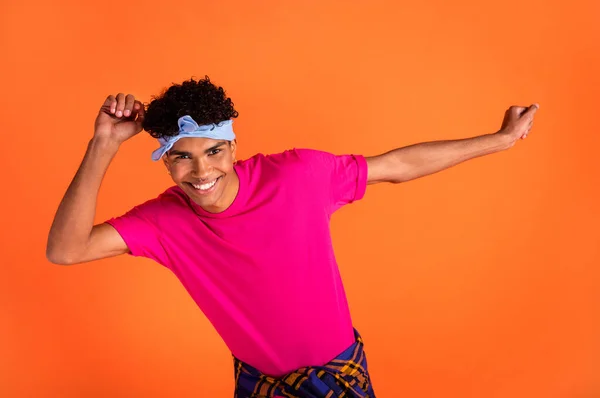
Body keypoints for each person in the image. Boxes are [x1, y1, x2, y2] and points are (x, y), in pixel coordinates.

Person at [46, 76, 539, 398]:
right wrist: (103, 144)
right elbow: (66, 251)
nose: (202, 171)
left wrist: (500, 140)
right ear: (166, 162)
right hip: (258, 386)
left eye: (215, 151)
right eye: (183, 157)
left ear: (234, 145)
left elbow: (396, 166)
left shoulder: (297, 176)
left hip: (337, 380)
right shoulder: (164, 222)